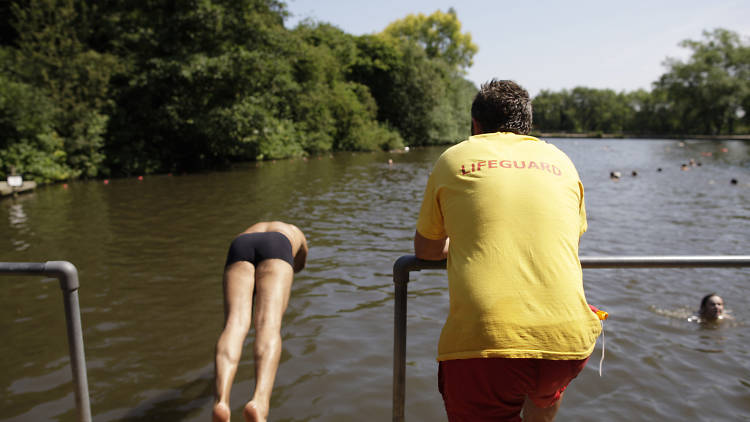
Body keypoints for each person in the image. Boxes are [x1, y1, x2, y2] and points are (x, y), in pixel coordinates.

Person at [414, 79, 602, 421]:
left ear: (475, 125)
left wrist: (470, 241)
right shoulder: (561, 160)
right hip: (568, 340)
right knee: (543, 396)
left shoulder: (454, 157)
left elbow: (426, 250)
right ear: (528, 127)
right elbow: (569, 242)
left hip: (487, 345)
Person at [212, 221, 308, 422]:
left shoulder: (252, 228)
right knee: (268, 325)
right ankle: (259, 403)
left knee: (234, 324)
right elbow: (299, 263)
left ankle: (221, 401)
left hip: (240, 244)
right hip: (279, 246)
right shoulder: (293, 231)